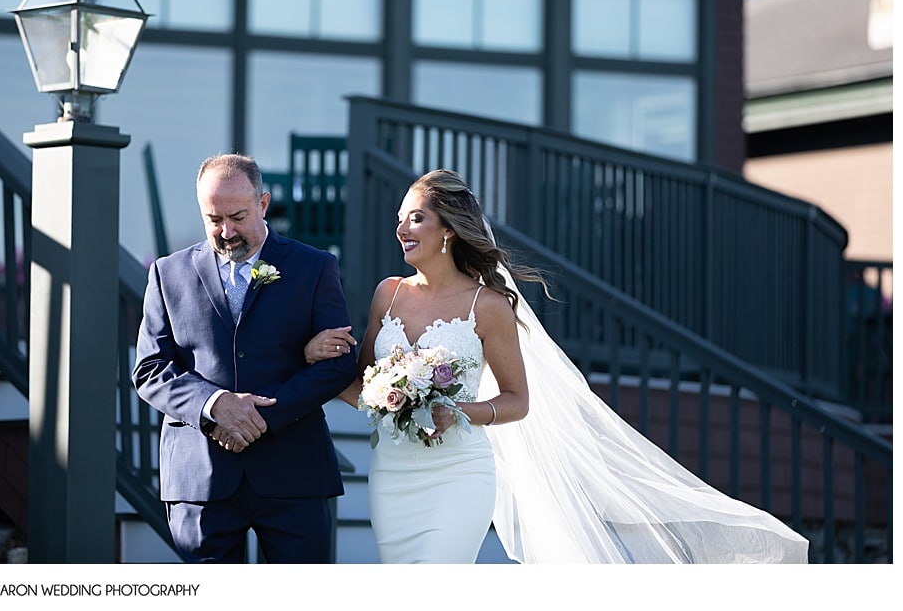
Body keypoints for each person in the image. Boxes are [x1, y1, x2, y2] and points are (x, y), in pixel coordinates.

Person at [308, 168, 809, 563]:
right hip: (394, 473)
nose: (401, 228)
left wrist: (460, 412)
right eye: (400, 218)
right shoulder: (387, 295)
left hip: (458, 471)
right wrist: (367, 388)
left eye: (415, 217)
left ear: (449, 231)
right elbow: (360, 383)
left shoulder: (488, 306)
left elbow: (516, 400)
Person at [132, 153, 357, 563]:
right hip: (201, 477)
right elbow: (150, 369)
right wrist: (215, 406)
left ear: (263, 204)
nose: (226, 231)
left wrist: (259, 416)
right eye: (213, 219)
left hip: (293, 469)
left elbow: (339, 363)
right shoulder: (168, 273)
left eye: (237, 217)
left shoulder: (314, 267)